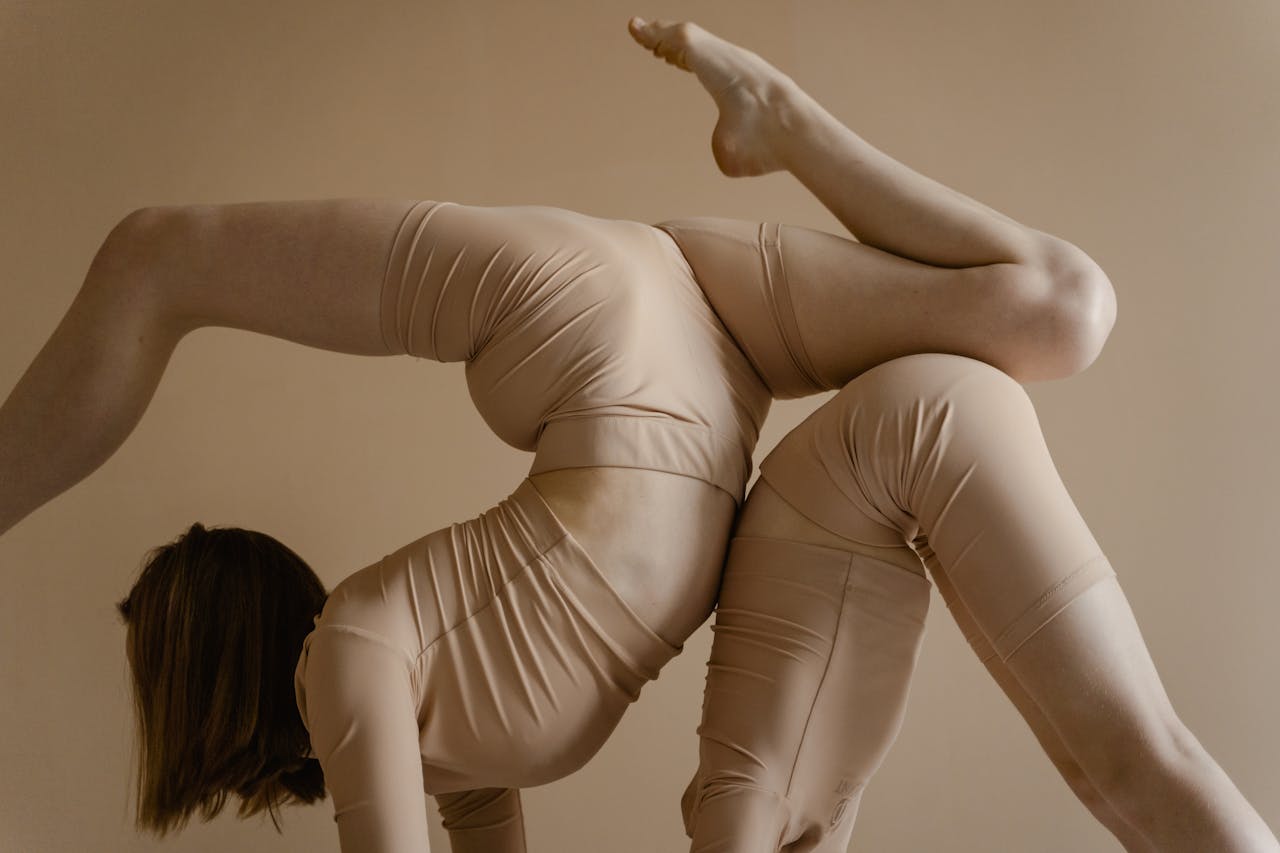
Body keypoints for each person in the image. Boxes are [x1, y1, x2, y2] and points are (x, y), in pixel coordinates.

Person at [0, 14, 1261, 853]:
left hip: (612, 355)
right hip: (719, 371)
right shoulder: (439, 727)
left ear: (202, 664)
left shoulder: (354, 660)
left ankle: (781, 123)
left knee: (156, 256)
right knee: (1058, 305)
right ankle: (780, 126)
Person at [622, 16, 1280, 853]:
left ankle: (781, 117)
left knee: (1063, 306)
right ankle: (779, 119)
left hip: (718, 329)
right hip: (868, 448)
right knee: (1129, 769)